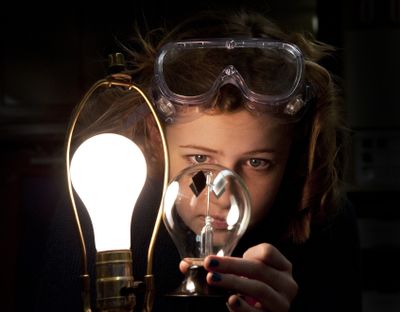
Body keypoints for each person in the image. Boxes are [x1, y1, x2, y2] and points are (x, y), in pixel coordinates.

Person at [34, 8, 362, 312]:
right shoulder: (104, 203)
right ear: (155, 138)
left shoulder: (325, 224)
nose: (222, 194)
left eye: (257, 163)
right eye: (200, 157)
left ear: (293, 153)